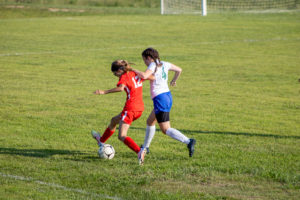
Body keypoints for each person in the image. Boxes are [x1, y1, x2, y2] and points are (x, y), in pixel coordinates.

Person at [133, 47, 196, 160]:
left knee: (165, 129)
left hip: (160, 98)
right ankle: (146, 147)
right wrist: (174, 80)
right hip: (167, 96)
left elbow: (144, 76)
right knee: (150, 121)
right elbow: (179, 70)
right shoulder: (164, 63)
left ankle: (188, 141)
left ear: (149, 58)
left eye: (144, 60)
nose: (145, 63)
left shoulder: (152, 65)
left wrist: (132, 69)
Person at [91, 60, 154, 165]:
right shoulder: (135, 73)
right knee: (114, 120)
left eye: (115, 72)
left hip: (130, 108)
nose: (114, 75)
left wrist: (104, 92)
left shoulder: (124, 77)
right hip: (140, 108)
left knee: (122, 136)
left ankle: (139, 151)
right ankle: (101, 141)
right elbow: (152, 77)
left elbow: (120, 89)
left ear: (120, 70)